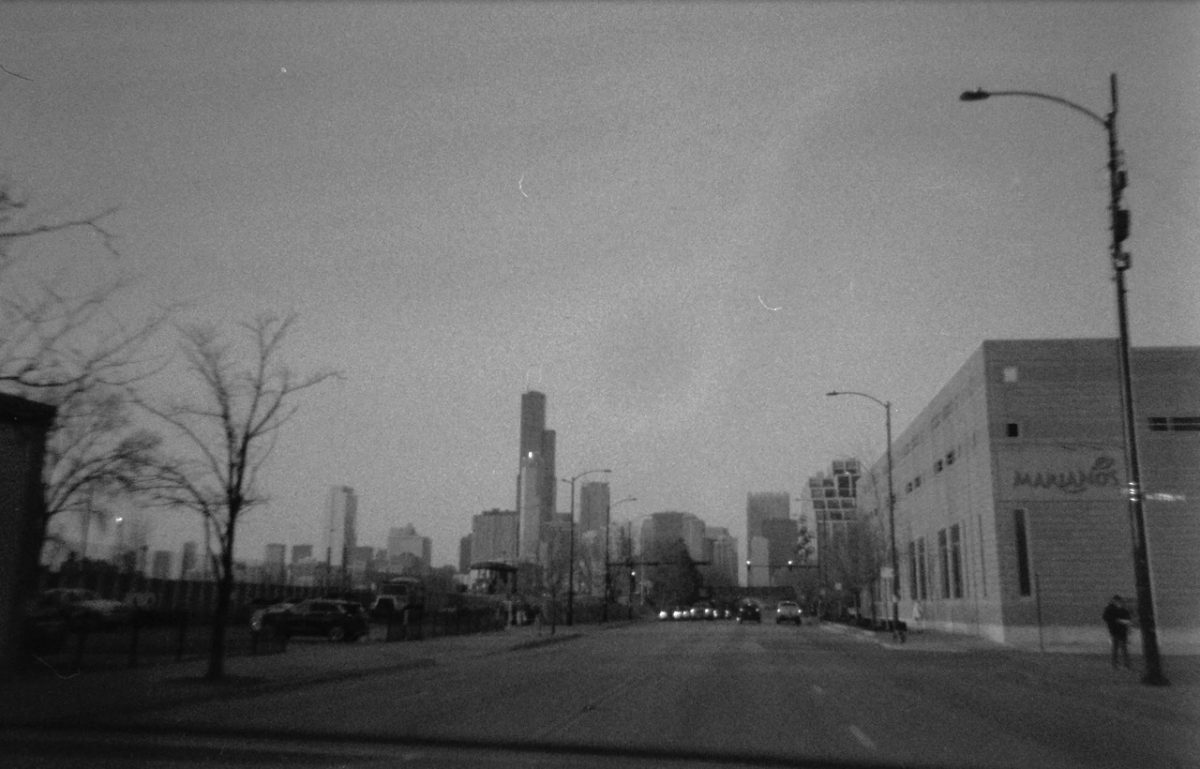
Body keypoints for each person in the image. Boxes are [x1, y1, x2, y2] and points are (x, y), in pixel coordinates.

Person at [1102, 594, 1133, 669]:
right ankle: (1117, 664)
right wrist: (1121, 621)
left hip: (1120, 631)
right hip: (1115, 631)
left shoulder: (1122, 610)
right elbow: (1107, 618)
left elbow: (1128, 620)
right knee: (1118, 648)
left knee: (1121, 648)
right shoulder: (1110, 609)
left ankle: (1123, 664)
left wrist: (1128, 628)